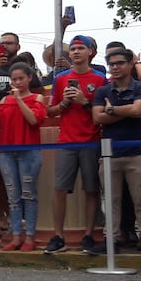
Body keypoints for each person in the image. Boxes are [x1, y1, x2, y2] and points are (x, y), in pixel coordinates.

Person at [92, 48, 141, 257]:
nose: (115, 67)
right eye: (112, 64)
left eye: (120, 63)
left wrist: (112, 110)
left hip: (137, 151)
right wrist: (126, 110)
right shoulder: (102, 91)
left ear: (130, 64)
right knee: (111, 200)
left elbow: (139, 110)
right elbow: (97, 118)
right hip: (109, 152)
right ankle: (111, 240)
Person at [44, 35, 107, 254]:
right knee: (59, 189)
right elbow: (49, 111)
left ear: (91, 52)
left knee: (91, 189)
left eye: (81, 48)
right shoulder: (61, 79)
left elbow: (102, 113)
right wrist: (64, 103)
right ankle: (58, 235)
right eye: (73, 49)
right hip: (66, 141)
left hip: (91, 141)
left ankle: (89, 234)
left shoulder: (100, 79)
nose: (76, 52)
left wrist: (84, 101)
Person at [0, 62, 46, 251]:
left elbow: (34, 120)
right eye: (14, 79)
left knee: (29, 195)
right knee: (13, 197)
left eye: (20, 79)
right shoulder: (4, 101)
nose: (17, 82)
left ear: (29, 78)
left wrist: (19, 100)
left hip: (29, 153)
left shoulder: (37, 98)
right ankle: (16, 235)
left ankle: (30, 237)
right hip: (7, 154)